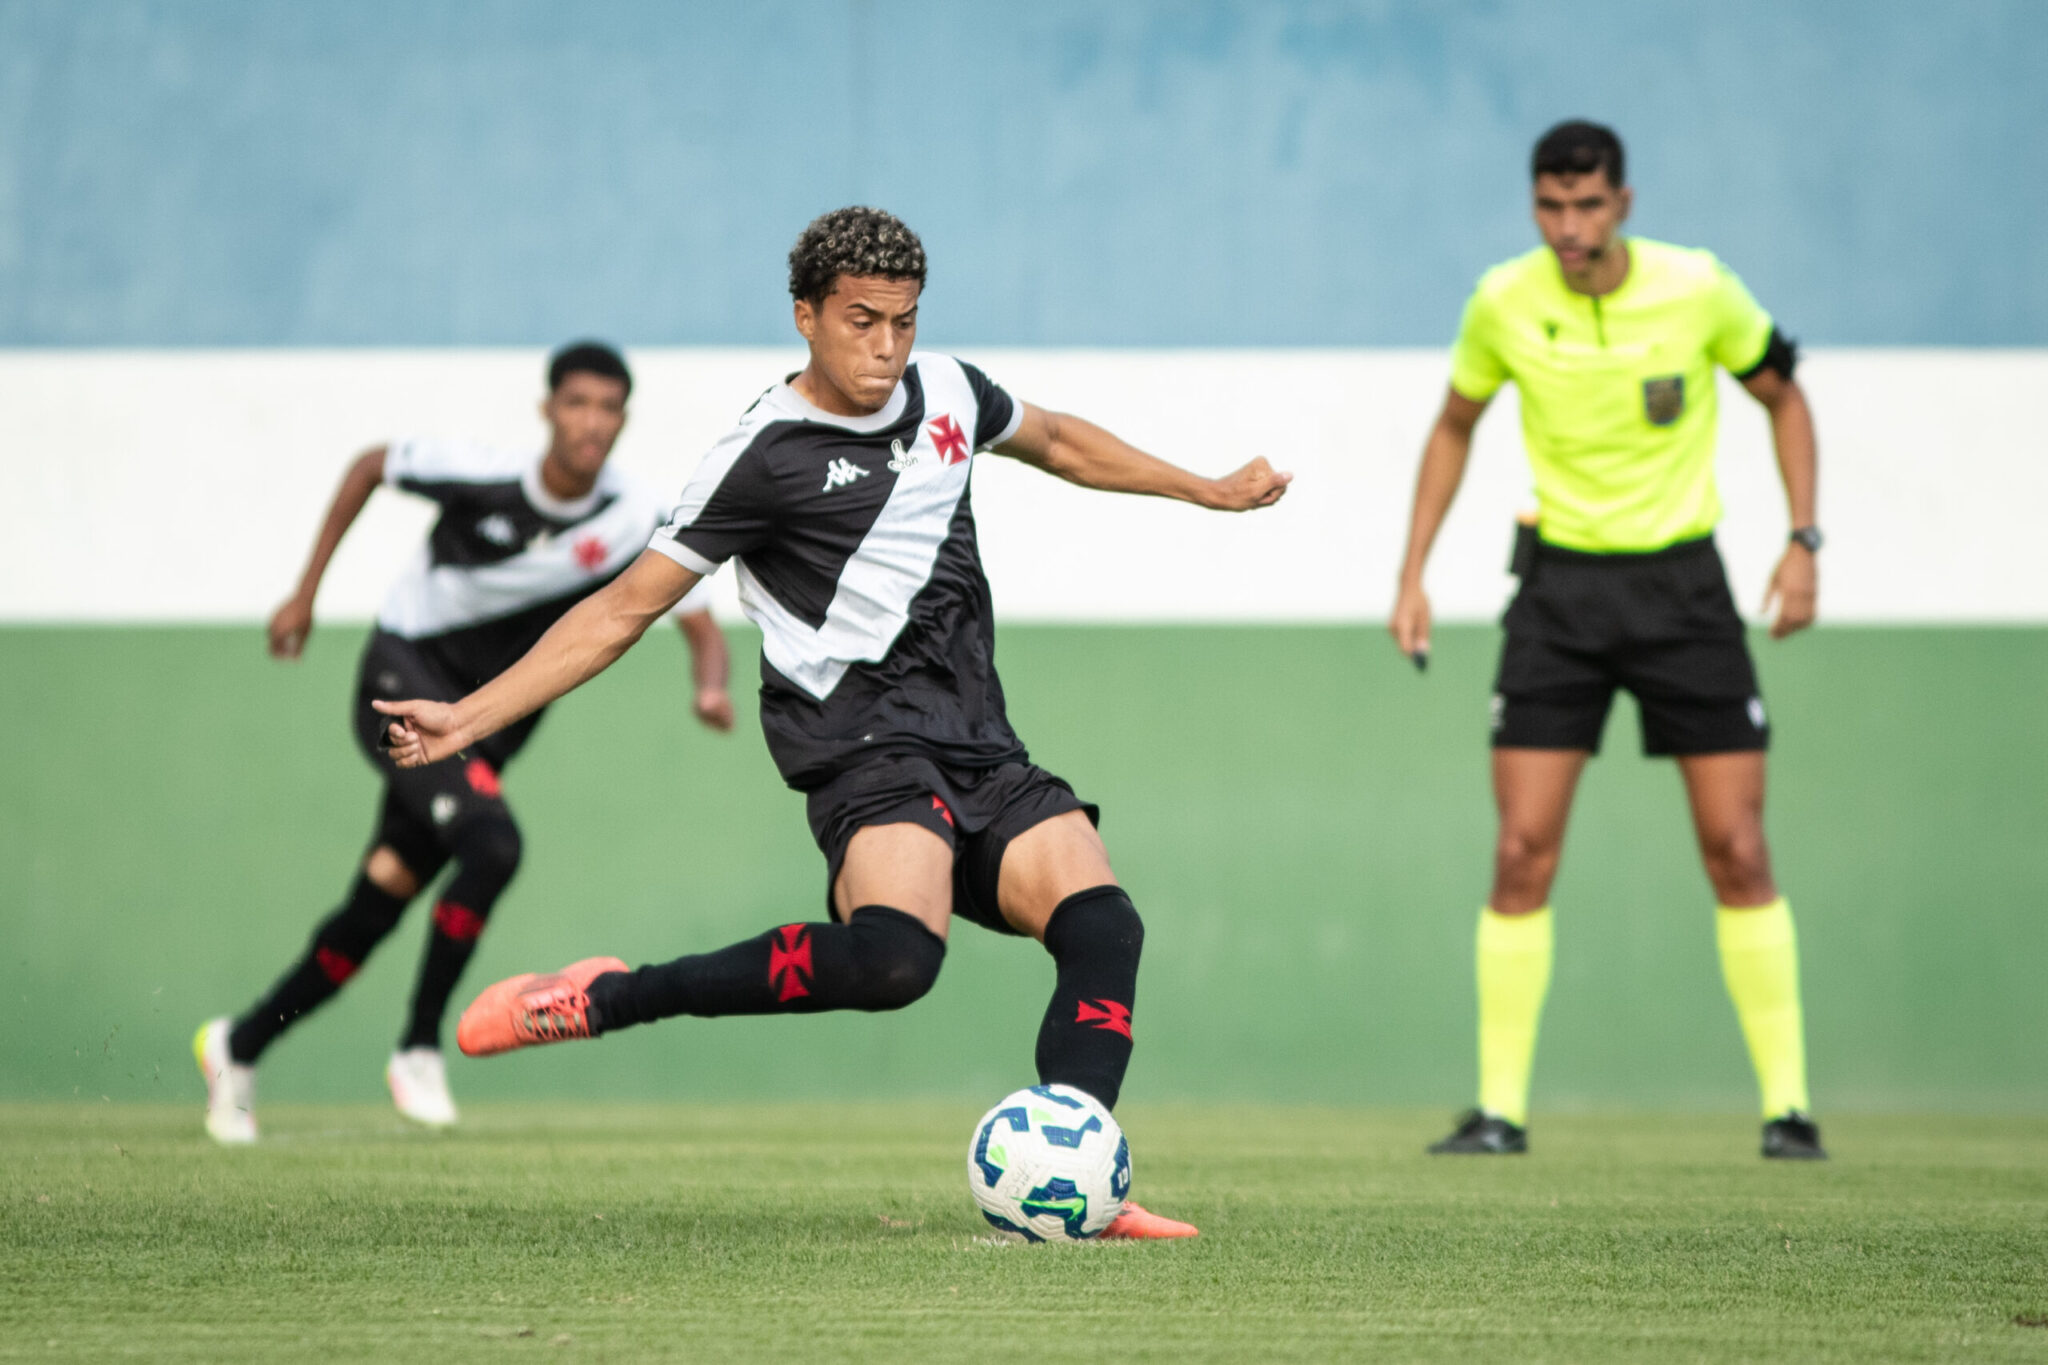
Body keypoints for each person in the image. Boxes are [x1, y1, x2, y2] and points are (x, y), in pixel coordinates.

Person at [375, 207, 1290, 1237]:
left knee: (1102, 922)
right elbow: (622, 610)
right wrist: (467, 717)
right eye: (861, 321)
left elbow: (1060, 442)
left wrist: (1202, 489)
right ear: (805, 316)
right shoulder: (763, 455)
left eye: (902, 321)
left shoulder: (946, 388)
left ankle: (1073, 1163)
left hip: (979, 740)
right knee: (895, 963)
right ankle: (614, 994)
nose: (887, 348)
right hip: (863, 749)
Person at [1390, 122, 1826, 1159]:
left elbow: (1783, 394)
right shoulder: (1502, 300)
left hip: (1683, 593)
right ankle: (1498, 1113)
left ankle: (1787, 1111)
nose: (1567, 227)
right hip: (1558, 600)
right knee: (1518, 854)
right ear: (1533, 207)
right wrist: (1410, 571)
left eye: (1586, 206)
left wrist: (1802, 543)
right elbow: (1453, 423)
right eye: (1549, 207)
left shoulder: (1699, 289)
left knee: (1737, 849)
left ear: (1622, 202)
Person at [195, 342, 733, 1144]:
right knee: (493, 843)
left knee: (375, 905)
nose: (592, 421)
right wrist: (305, 594)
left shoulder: (631, 516)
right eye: (577, 402)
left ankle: (238, 1046)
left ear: (622, 419)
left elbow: (695, 617)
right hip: (403, 679)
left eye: (609, 407)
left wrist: (710, 683)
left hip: (484, 726)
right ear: (548, 409)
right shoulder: (480, 472)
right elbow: (370, 466)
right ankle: (417, 1046)